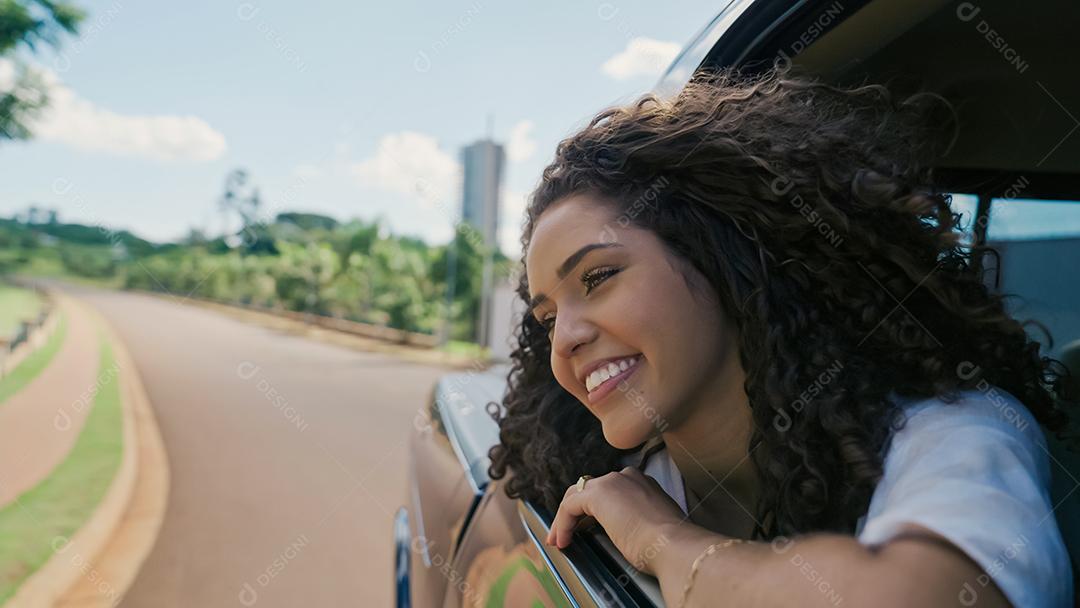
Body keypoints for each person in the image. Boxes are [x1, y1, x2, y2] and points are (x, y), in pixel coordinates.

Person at [486, 64, 1076, 607]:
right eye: (546, 318)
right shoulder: (615, 479)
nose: (563, 340)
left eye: (598, 277)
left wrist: (662, 538)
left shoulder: (954, 435)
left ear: (723, 253)